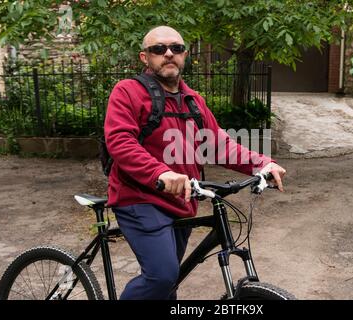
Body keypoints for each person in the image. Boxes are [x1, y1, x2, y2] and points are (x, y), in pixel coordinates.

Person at [104, 25, 286, 300]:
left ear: (184, 55)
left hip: (182, 200)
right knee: (162, 276)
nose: (168, 54)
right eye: (158, 49)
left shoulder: (193, 102)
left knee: (168, 284)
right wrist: (161, 173)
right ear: (145, 57)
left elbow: (218, 145)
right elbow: (120, 142)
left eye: (175, 48)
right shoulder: (127, 91)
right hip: (140, 199)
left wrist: (262, 164)